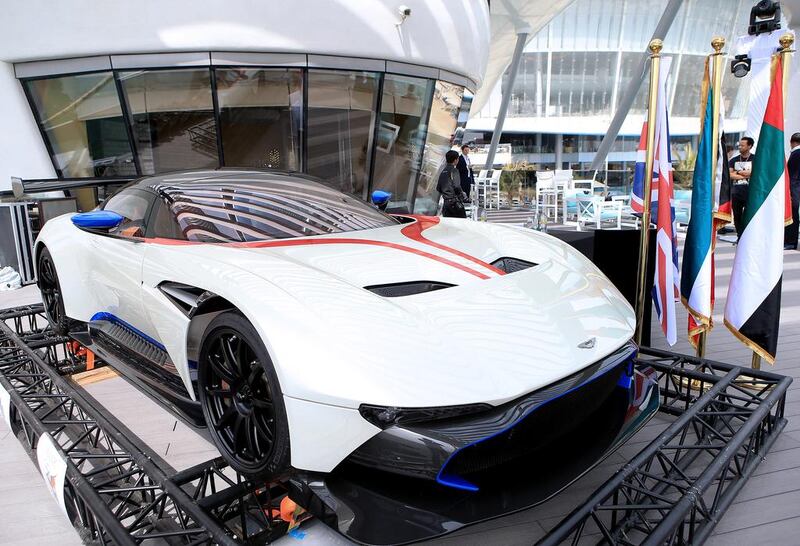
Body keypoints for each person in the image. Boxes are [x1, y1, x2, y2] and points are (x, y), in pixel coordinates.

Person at [728, 136, 756, 241]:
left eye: (742, 145)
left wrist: (738, 172)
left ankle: (749, 237)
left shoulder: (755, 159)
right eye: (739, 145)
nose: (740, 147)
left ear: (749, 146)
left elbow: (757, 173)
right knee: (737, 215)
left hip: (751, 192)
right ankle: (740, 236)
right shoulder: (733, 160)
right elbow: (730, 175)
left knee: (750, 215)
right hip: (736, 192)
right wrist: (745, 174)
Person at [437, 150, 467, 218]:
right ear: (455, 160)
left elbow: (438, 188)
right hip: (454, 203)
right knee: (462, 223)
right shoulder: (454, 170)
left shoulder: (443, 171)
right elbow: (457, 186)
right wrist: (463, 194)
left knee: (449, 226)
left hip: (446, 204)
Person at [785, 133, 800, 249]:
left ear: (792, 142)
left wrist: (789, 191)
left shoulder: (795, 154)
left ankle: (791, 241)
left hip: (795, 189)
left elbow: (793, 176)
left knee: (793, 215)